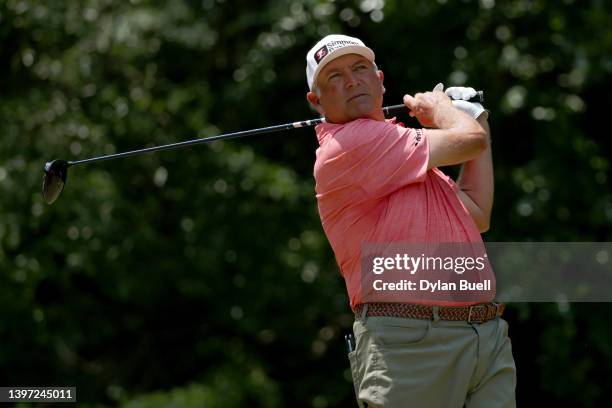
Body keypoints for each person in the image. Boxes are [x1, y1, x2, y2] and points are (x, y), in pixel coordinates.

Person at [305, 34, 516, 407]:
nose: (352, 80)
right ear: (316, 100)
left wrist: (476, 117)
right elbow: (469, 140)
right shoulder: (350, 145)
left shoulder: (400, 145)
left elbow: (476, 213)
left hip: (484, 336)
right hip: (411, 342)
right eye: (334, 77)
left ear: (380, 79)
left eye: (359, 69)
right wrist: (445, 110)